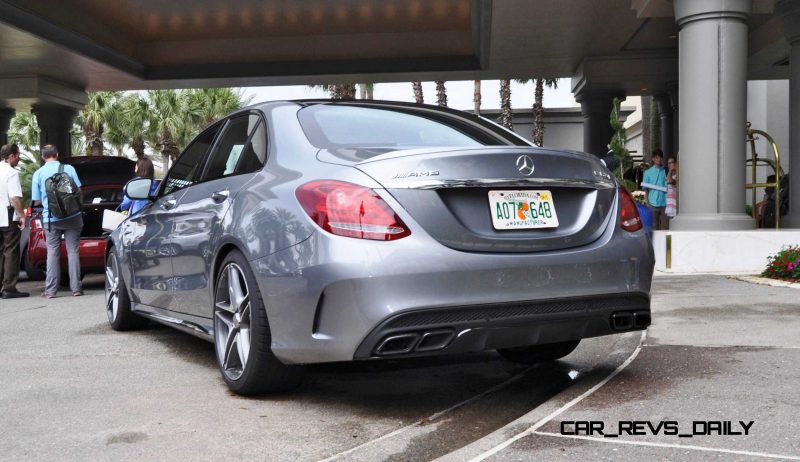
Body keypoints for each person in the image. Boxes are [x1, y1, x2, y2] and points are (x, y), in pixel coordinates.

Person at [31, 144, 83, 297]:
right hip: (73, 216)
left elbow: (36, 200)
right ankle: (76, 289)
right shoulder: (69, 169)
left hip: (51, 218)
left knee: (52, 253)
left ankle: (51, 290)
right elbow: (79, 190)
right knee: (73, 251)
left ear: (43, 156)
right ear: (57, 154)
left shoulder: (38, 173)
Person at [0, 144, 29, 298]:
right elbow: (15, 197)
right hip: (8, 215)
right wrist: (22, 215)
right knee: (11, 251)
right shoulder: (11, 173)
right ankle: (9, 288)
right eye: (18, 155)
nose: (19, 158)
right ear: (11, 156)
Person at [641, 149, 668, 230]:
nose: (658, 159)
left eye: (660, 157)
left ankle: (665, 243)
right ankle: (655, 243)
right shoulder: (647, 173)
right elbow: (645, 190)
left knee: (665, 228)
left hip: (665, 203)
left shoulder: (666, 170)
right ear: (653, 159)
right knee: (654, 228)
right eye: (656, 157)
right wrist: (648, 204)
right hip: (652, 203)